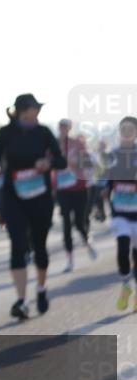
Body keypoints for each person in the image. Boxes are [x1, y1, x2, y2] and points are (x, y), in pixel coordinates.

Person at [0, 94, 66, 319]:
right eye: (35, 109)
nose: (39, 112)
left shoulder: (43, 132)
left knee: (39, 246)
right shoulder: (5, 133)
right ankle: (22, 301)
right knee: (17, 245)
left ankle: (41, 289)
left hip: (40, 198)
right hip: (14, 196)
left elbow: (60, 161)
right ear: (24, 111)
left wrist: (48, 163)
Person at [54, 118, 97, 272]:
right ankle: (70, 260)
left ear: (70, 128)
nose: (63, 129)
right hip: (63, 189)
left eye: (66, 127)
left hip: (79, 188)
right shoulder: (53, 145)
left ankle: (87, 242)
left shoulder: (77, 144)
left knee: (79, 222)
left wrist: (75, 162)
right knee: (66, 223)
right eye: (61, 127)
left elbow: (88, 164)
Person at [104, 116, 137, 311]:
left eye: (130, 129)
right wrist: (105, 189)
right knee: (122, 246)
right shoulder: (113, 155)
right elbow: (106, 178)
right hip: (119, 212)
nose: (126, 132)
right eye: (123, 129)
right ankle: (126, 286)